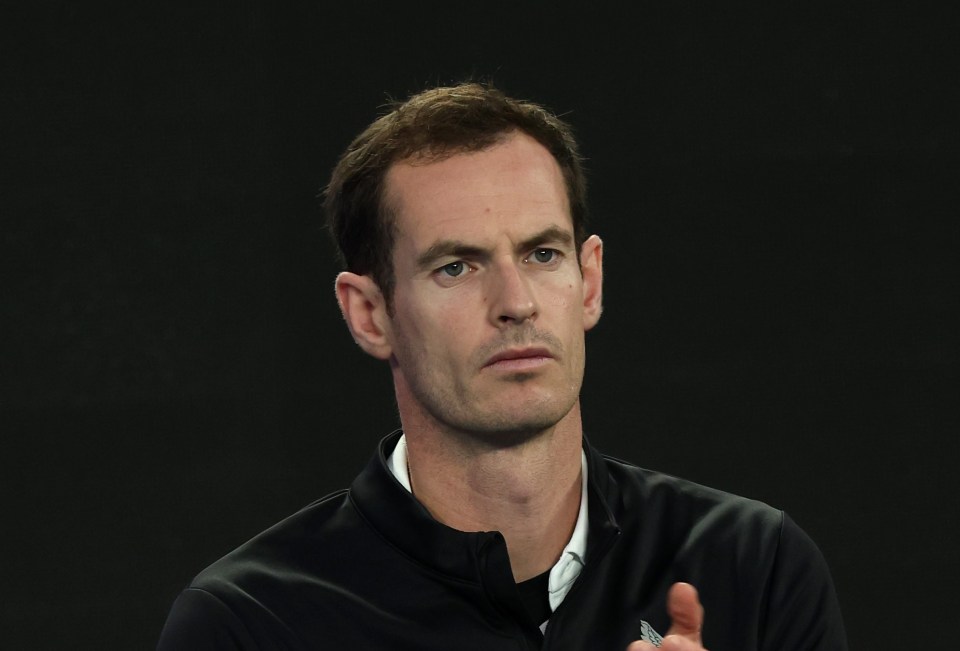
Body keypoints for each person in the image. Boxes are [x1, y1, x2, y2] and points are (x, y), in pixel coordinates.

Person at [158, 83, 847, 650]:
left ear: (591, 280)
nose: (515, 303)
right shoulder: (250, 625)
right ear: (370, 314)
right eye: (456, 266)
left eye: (543, 254)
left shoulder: (755, 568)